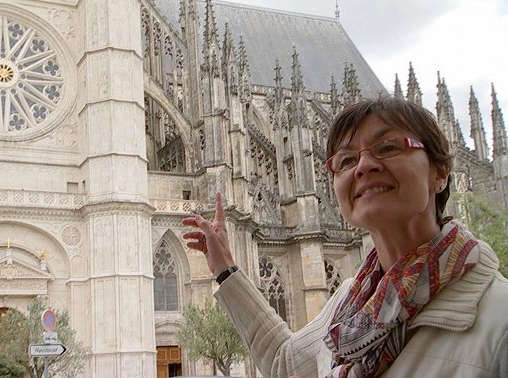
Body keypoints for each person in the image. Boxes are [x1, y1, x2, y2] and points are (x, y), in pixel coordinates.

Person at [182, 97, 508, 377]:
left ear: (440, 173)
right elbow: (286, 363)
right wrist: (225, 268)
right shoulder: (351, 303)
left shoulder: (497, 318)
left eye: (388, 147)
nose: (365, 165)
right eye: (347, 159)